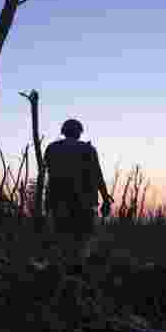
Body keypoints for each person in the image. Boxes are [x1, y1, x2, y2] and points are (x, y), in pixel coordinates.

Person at [44, 118, 112, 275]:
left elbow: (46, 175)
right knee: (82, 241)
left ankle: (63, 276)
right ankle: (77, 276)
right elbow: (97, 176)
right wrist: (105, 199)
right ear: (79, 132)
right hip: (84, 204)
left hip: (58, 203)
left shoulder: (52, 148)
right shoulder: (88, 149)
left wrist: (45, 204)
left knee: (62, 241)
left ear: (63, 131)